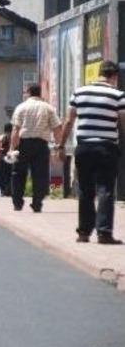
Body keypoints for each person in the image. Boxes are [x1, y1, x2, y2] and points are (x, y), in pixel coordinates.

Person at [57, 61, 125, 244]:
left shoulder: (79, 93)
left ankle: (84, 232)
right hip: (106, 148)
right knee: (105, 189)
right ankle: (104, 233)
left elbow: (69, 121)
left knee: (85, 190)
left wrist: (61, 146)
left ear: (100, 73)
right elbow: (123, 122)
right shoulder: (118, 95)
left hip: (84, 147)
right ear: (115, 76)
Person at [8, 83, 63, 212]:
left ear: (28, 92)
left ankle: (17, 203)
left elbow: (15, 130)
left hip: (23, 144)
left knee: (18, 174)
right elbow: (57, 128)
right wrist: (58, 145)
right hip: (41, 144)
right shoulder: (48, 108)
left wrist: (12, 148)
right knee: (40, 175)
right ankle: (37, 203)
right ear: (40, 93)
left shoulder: (21, 108)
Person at [0, 123, 13, 197]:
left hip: (1, 160)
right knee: (10, 176)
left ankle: (3, 191)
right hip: (10, 159)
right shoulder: (13, 138)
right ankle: (8, 191)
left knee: (1, 176)